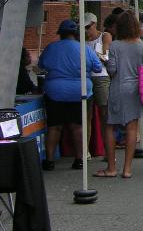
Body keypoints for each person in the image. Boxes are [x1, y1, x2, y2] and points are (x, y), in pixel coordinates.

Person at [93, 10, 143, 179]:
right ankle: (127, 169)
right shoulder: (142, 44)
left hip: (118, 87)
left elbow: (112, 69)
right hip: (137, 89)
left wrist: (105, 62)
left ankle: (111, 167)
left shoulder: (115, 46)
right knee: (132, 127)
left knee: (110, 126)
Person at [39, 19, 103, 171]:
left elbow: (41, 65)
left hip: (55, 91)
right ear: (76, 34)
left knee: (54, 127)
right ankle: (79, 159)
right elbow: (98, 68)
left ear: (60, 34)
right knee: (78, 127)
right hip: (79, 91)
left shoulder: (51, 48)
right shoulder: (85, 49)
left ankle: (49, 161)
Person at [85, 13, 112, 149]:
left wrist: (94, 55)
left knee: (104, 114)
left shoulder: (104, 36)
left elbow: (107, 57)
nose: (85, 30)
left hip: (101, 77)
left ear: (94, 24)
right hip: (87, 78)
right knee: (86, 115)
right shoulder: (81, 39)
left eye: (88, 27)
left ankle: (108, 150)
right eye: (83, 27)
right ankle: (86, 151)